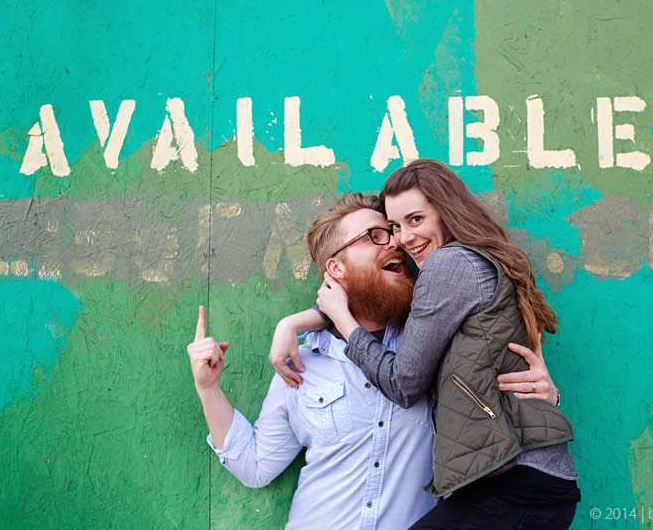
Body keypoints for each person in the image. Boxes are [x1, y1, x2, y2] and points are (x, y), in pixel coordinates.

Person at [271, 160, 580, 529]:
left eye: (415, 219)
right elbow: (375, 301)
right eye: (395, 226)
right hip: (520, 479)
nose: (403, 238)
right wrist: (297, 321)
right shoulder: (467, 265)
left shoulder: (448, 264)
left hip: (512, 482)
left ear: (447, 211)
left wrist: (343, 322)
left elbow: (403, 384)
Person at [186, 194, 437, 529]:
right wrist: (208, 388)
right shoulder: (300, 362)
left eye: (391, 232)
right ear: (336, 269)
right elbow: (256, 467)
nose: (394, 242)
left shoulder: (429, 345)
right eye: (375, 236)